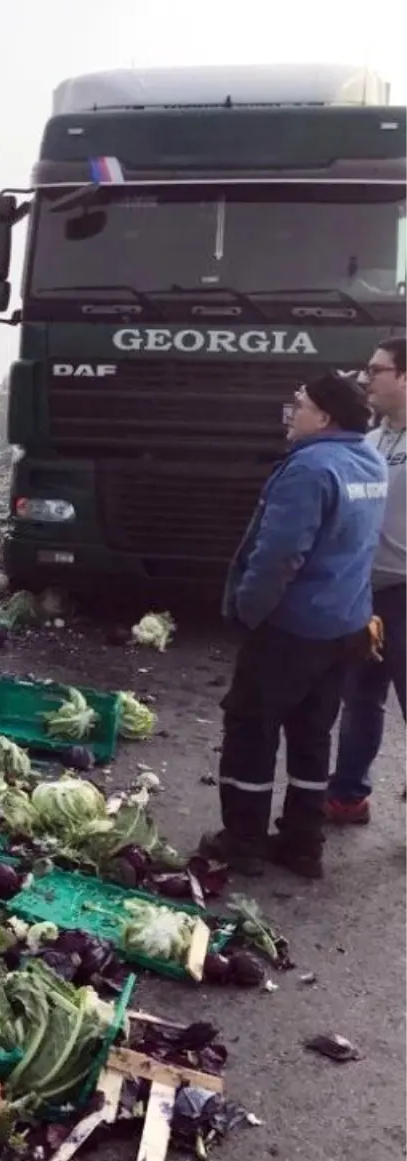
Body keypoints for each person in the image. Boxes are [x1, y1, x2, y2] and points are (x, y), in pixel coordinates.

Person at [212, 371, 387, 878]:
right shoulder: (368, 460)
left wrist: (249, 609)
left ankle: (243, 842)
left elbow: (279, 556)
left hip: (291, 629)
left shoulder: (311, 468)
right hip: (343, 625)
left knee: (252, 728)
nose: (292, 413)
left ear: (325, 416)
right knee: (312, 735)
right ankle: (302, 843)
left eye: (300, 404)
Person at [327, 337, 407, 823]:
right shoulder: (371, 440)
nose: (365, 378)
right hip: (365, 593)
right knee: (360, 700)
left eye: (376, 370)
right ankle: (347, 797)